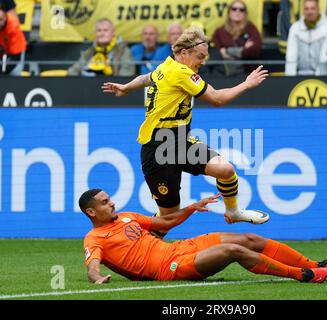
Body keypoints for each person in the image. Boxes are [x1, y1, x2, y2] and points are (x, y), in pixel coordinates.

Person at [102, 26, 270, 238]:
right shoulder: (181, 72)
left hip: (180, 142)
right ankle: (136, 250)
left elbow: (147, 78)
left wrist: (127, 87)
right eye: (200, 56)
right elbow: (217, 99)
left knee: (225, 170)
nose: (203, 62)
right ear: (184, 53)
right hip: (158, 149)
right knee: (169, 218)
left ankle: (233, 211)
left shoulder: (167, 66)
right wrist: (246, 84)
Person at [80, 189, 327, 284]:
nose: (112, 203)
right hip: (169, 268)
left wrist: (191, 208)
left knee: (247, 239)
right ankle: (304, 276)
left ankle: (316, 265)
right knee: (233, 252)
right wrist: (98, 278)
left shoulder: (127, 216)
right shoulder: (94, 238)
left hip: (179, 248)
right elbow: (93, 265)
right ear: (92, 211)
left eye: (109, 199)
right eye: (105, 203)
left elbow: (164, 221)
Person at [285, 0, 327, 76]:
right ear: (303, 11)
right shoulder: (294, 28)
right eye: (306, 9)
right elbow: (291, 56)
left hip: (326, 75)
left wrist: (319, 79)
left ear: (318, 9)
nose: (309, 12)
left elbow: (326, 56)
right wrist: (290, 79)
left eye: (313, 8)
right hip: (300, 76)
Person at [67, 18, 135, 77]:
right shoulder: (90, 51)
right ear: (95, 33)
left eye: (105, 30)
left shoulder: (123, 51)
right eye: (99, 30)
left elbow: (126, 76)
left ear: (113, 33)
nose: (102, 33)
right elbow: (72, 72)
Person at [212, 0, 262, 76]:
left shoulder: (251, 29)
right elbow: (216, 52)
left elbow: (255, 50)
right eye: (234, 9)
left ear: (245, 14)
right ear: (229, 12)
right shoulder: (220, 31)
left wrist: (227, 51)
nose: (237, 12)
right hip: (224, 73)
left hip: (248, 73)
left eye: (241, 10)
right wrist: (243, 49)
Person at [0, 1, 26, 75]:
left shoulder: (14, 25)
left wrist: (2, 73)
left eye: (1, 19)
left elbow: (16, 55)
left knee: (14, 74)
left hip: (9, 54)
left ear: (5, 16)